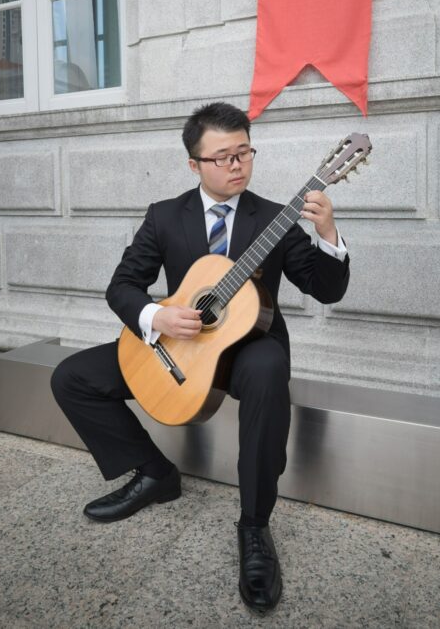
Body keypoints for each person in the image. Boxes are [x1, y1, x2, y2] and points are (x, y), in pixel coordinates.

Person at [51, 101, 350, 614]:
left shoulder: (275, 218)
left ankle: (254, 527)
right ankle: (154, 474)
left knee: (268, 368)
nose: (237, 165)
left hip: (249, 349)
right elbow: (122, 287)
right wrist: (156, 317)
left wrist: (328, 235)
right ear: (194, 164)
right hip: (183, 346)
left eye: (244, 153)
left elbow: (327, 289)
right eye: (222, 157)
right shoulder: (165, 216)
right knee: (71, 377)